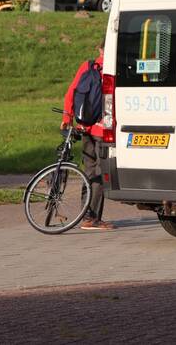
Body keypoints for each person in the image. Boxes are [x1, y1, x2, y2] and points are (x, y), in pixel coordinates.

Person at [61, 43, 115, 231]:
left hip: (85, 127)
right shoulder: (114, 67)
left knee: (90, 171)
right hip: (102, 130)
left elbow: (71, 92)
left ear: (99, 50)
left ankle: (87, 214)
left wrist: (67, 117)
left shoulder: (88, 66)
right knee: (99, 174)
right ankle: (91, 217)